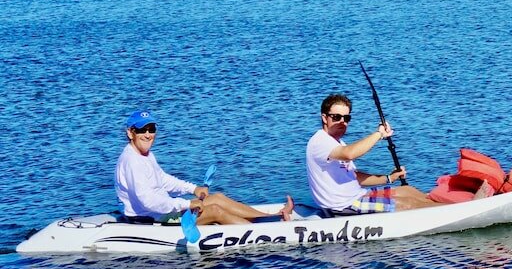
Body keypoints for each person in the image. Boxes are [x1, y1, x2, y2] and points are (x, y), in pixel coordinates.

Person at [116, 109, 293, 225]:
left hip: (161, 211)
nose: (148, 135)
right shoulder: (132, 161)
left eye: (151, 129)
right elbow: (149, 201)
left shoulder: (145, 155)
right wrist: (187, 204)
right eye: (142, 130)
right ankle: (270, 227)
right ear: (130, 133)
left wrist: (193, 189)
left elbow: (162, 180)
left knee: (217, 198)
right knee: (215, 210)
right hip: (151, 218)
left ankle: (269, 219)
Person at [306, 93, 442, 215]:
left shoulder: (337, 142)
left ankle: (445, 205)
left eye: (346, 118)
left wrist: (389, 178)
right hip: (343, 206)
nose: (342, 122)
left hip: (359, 195)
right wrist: (379, 134)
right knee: (408, 204)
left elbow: (354, 176)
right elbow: (349, 154)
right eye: (337, 117)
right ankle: (446, 212)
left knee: (408, 191)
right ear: (325, 118)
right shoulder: (320, 141)